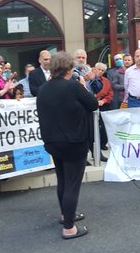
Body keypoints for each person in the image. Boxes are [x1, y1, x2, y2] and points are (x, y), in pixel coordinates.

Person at [36, 51, 98, 240]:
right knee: (72, 184)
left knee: (63, 180)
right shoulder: (73, 86)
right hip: (74, 142)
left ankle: (66, 216)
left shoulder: (44, 88)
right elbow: (93, 104)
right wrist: (83, 86)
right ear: (69, 69)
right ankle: (69, 228)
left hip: (53, 142)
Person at [86, 62, 113, 152]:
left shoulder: (106, 81)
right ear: (94, 69)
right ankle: (91, 146)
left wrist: (103, 101)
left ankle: (102, 143)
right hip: (91, 105)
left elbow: (110, 94)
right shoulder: (87, 79)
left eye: (102, 70)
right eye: (99, 69)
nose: (100, 71)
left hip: (103, 105)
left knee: (104, 126)